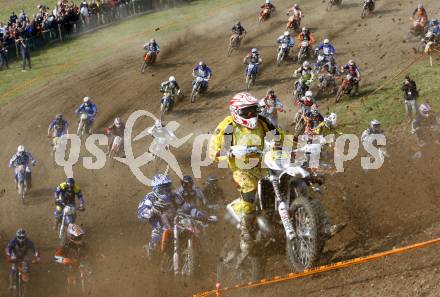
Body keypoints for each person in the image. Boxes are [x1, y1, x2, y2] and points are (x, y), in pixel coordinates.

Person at [209, 92, 282, 257]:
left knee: (287, 180)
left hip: (264, 165)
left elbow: (279, 137)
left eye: (253, 110)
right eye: (246, 111)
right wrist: (228, 153)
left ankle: (314, 221)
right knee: (250, 189)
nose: (251, 114)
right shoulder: (227, 126)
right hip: (241, 169)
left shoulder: (262, 122)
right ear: (236, 111)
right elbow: (214, 153)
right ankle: (246, 236)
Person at [137, 174, 207, 258]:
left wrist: (202, 216)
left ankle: (199, 255)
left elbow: (187, 208)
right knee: (154, 247)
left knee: (193, 232)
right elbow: (140, 213)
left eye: (167, 188)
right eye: (162, 189)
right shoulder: (150, 197)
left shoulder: (175, 196)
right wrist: (152, 210)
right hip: (160, 228)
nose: (166, 191)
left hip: (177, 223)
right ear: (155, 189)